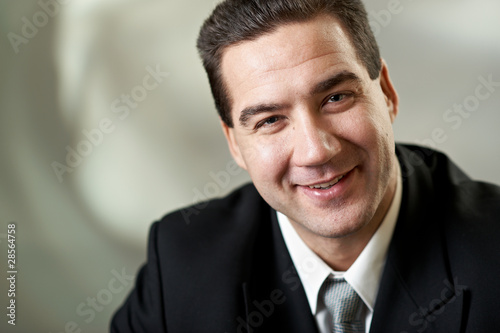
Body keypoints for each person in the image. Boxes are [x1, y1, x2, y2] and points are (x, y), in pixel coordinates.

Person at [110, 0, 500, 332]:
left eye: (335, 98)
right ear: (235, 144)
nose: (316, 151)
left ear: (386, 93)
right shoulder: (181, 268)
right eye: (270, 121)